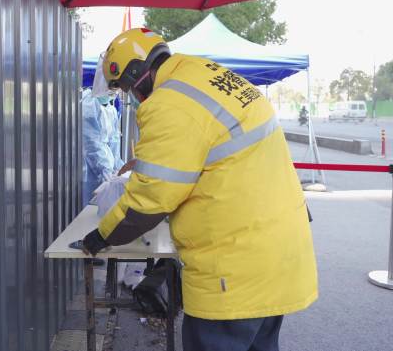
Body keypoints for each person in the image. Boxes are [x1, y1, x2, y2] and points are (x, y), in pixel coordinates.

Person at [81, 28, 318, 351]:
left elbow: (151, 199)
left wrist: (102, 236)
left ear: (137, 74)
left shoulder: (168, 103)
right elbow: (216, 153)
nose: (133, 98)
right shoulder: (205, 74)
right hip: (281, 253)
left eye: (126, 88)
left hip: (234, 272)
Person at [82, 57, 124, 206]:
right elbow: (92, 143)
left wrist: (119, 169)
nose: (116, 92)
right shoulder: (89, 104)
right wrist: (105, 170)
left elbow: (114, 141)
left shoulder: (110, 107)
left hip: (103, 170)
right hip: (90, 171)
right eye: (113, 87)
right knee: (87, 209)